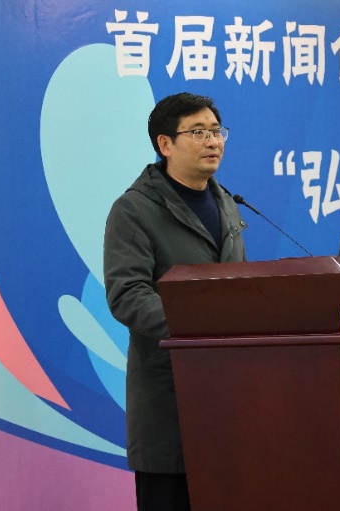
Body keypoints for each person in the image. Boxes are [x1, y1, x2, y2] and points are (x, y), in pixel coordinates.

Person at [103, 92, 247, 510]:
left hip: (231, 398)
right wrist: (200, 324)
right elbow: (127, 295)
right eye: (198, 132)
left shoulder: (226, 203)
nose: (212, 141)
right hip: (170, 400)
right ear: (165, 144)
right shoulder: (134, 210)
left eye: (216, 131)